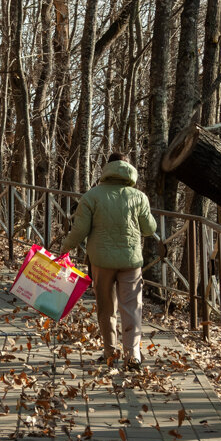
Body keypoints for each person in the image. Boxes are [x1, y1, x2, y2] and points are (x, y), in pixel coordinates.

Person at [56, 152, 157, 370]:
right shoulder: (138, 197)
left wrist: (65, 248)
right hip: (131, 261)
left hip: (100, 261)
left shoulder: (92, 196)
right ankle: (134, 355)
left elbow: (80, 229)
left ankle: (110, 352)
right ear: (129, 170)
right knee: (132, 307)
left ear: (107, 168)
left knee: (106, 307)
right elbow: (149, 229)